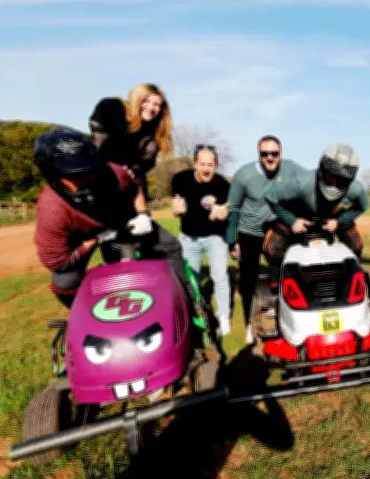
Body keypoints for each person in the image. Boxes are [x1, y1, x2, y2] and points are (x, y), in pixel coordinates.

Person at [33, 129, 201, 316]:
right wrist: (96, 239)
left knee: (170, 246)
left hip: (120, 219)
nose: (89, 178)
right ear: (53, 175)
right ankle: (87, 317)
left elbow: (135, 187)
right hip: (81, 237)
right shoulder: (52, 209)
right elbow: (58, 261)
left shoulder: (113, 173)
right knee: (65, 282)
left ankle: (188, 303)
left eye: (91, 170)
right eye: (77, 176)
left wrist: (143, 215)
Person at [261, 142, 368, 324]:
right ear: (322, 168)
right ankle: (276, 284)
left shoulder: (356, 189)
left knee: (355, 243)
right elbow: (270, 195)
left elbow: (363, 205)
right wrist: (291, 221)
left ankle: (353, 280)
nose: (334, 183)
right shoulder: (301, 182)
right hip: (298, 215)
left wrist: (339, 221)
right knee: (272, 247)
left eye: (342, 180)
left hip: (331, 218)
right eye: (331, 176)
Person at [226, 135, 306, 344]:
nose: (270, 157)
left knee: (285, 276)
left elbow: (310, 184)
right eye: (265, 153)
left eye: (274, 153)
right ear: (259, 154)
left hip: (278, 232)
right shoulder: (244, 174)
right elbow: (233, 207)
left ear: (281, 154)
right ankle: (250, 324)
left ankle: (286, 318)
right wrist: (232, 240)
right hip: (249, 233)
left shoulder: (291, 168)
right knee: (248, 280)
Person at [171, 144, 232, 336]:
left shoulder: (223, 185)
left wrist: (220, 215)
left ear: (216, 166)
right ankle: (194, 314)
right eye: (203, 164)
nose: (206, 168)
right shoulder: (180, 179)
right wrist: (176, 210)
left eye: (210, 165)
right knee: (191, 278)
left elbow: (227, 212)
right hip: (189, 238)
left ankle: (223, 316)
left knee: (220, 276)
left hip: (215, 237)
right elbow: (176, 205)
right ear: (195, 164)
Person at [88, 83, 174, 202]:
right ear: (137, 99)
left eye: (156, 104)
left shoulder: (155, 131)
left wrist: (134, 170)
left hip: (130, 183)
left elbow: (146, 162)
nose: (151, 107)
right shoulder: (114, 108)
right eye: (146, 101)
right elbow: (99, 144)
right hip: (101, 174)